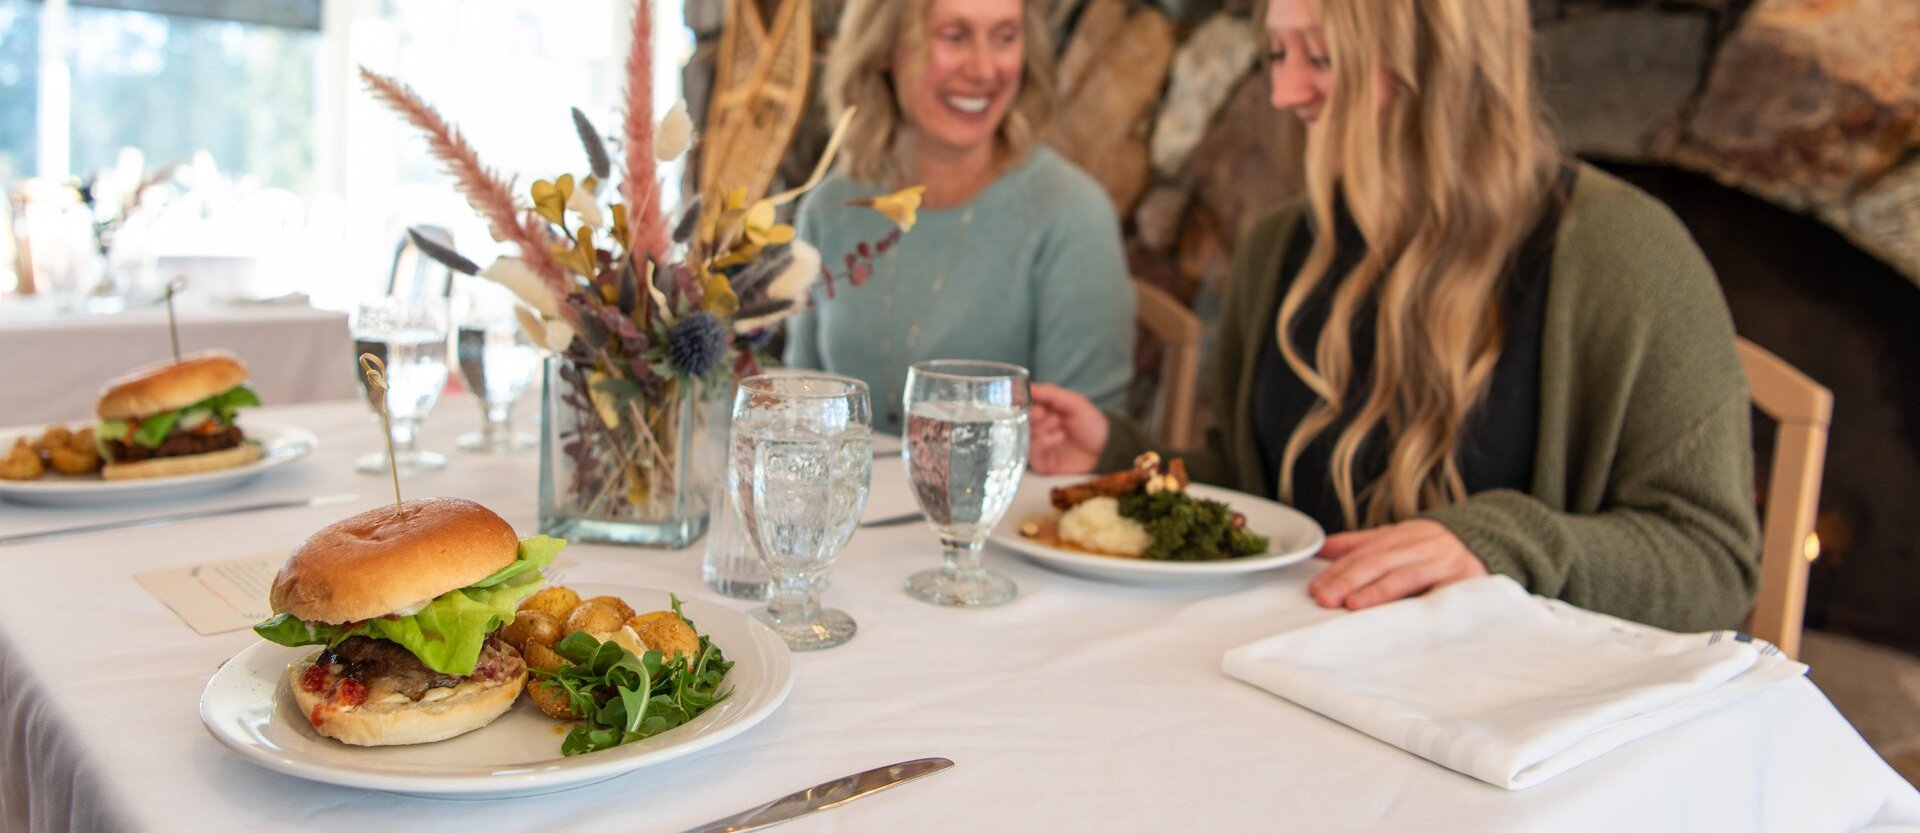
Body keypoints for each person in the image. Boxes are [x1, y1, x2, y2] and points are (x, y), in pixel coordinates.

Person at [1028, 0, 1760, 633]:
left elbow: (1713, 566)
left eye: (1320, 56)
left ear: (1441, 59)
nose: (1284, 91)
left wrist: (1497, 545)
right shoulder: (1278, 247)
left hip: (1504, 730)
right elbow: (1268, 501)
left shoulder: (1621, 253)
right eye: (1277, 52)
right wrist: (1122, 463)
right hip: (1301, 679)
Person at [784, 0, 1135, 434]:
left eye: (1005, 38)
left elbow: (1082, 453)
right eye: (954, 36)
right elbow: (795, 407)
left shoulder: (1072, 214)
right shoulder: (830, 208)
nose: (985, 69)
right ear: (883, 48)